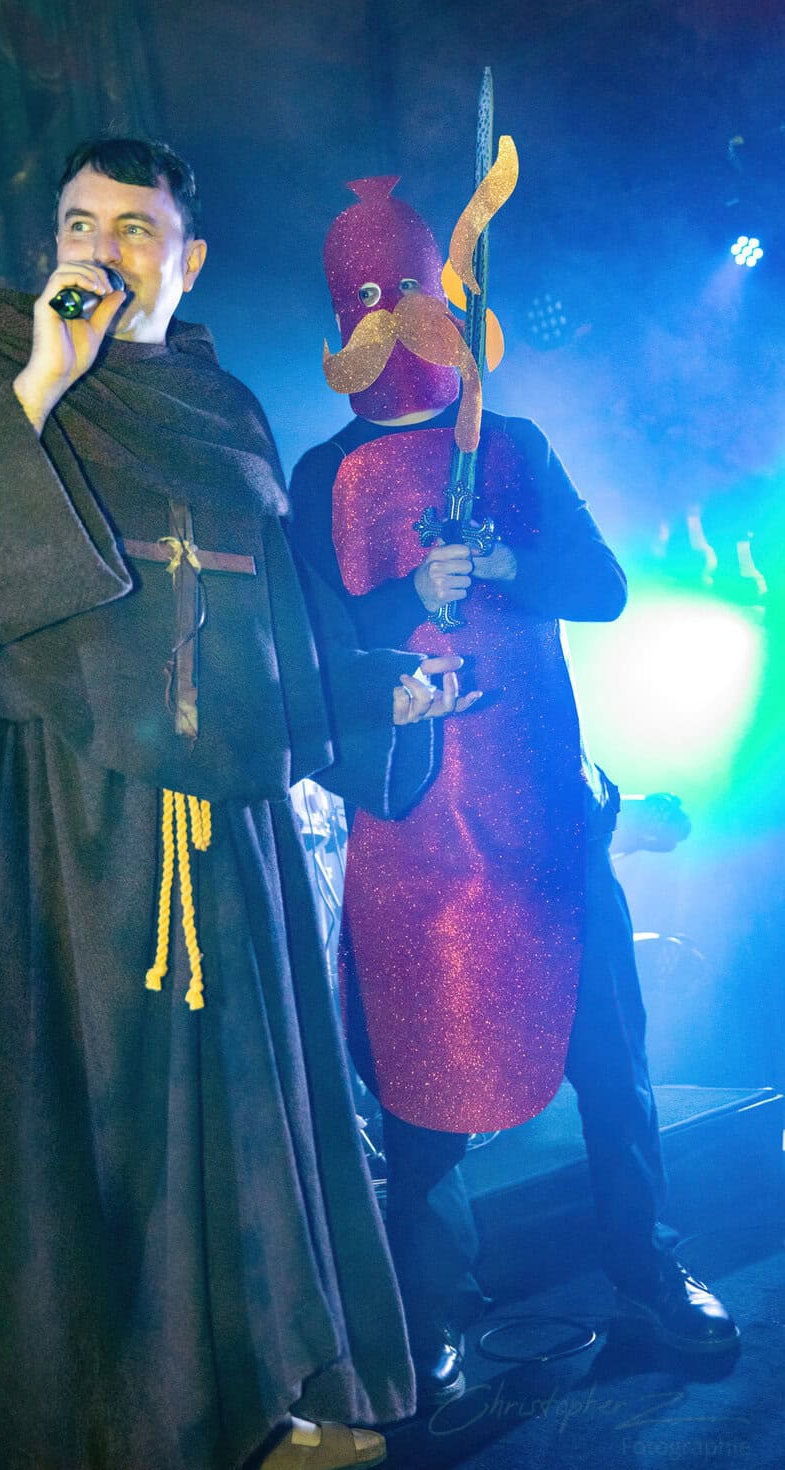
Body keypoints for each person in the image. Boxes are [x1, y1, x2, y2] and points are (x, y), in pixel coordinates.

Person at [0, 137, 476, 1470]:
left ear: (188, 258)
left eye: (134, 229)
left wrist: (367, 693)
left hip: (220, 835)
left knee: (237, 1122)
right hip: (55, 830)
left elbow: (276, 634)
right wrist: (41, 383)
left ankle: (257, 1397)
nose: (101, 252)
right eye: (78, 225)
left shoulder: (224, 415)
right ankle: (76, 1439)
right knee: (75, 1132)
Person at [289, 174, 739, 1405]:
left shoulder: (516, 442)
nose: (392, 314)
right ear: (339, 315)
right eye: (366, 294)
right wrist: (405, 599)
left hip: (545, 818)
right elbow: (311, 648)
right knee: (421, 1088)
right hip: (415, 833)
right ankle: (432, 1316)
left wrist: (499, 560)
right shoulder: (321, 475)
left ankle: (648, 1270)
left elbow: (601, 587)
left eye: (409, 286)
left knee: (612, 1064)